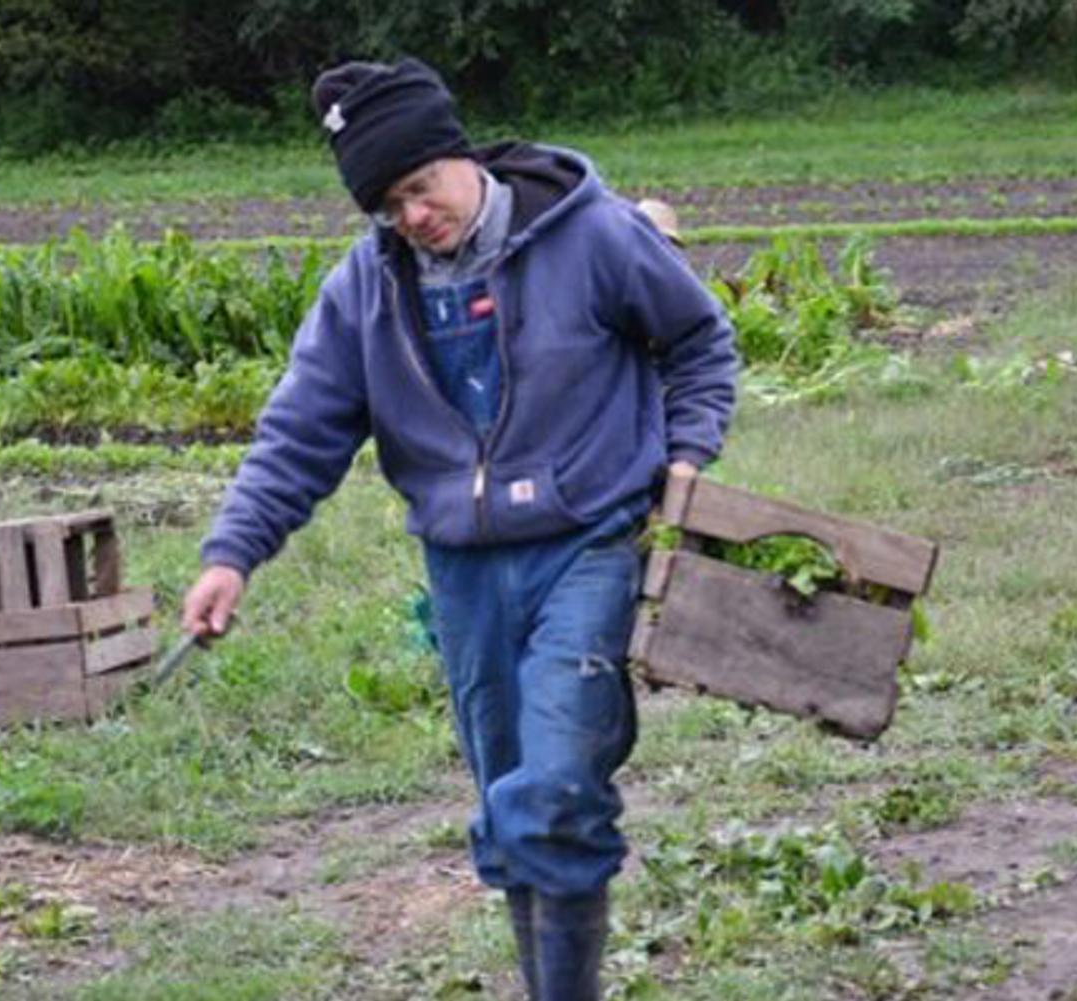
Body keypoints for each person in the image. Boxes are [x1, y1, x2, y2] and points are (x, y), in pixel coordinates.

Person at [181, 58, 737, 1000]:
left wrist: (685, 457)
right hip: (465, 569)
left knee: (558, 784)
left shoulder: (592, 236)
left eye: (418, 187)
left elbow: (698, 339)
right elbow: (302, 430)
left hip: (588, 545)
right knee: (510, 793)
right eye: (386, 204)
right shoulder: (367, 289)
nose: (411, 216)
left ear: (457, 156)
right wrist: (233, 554)